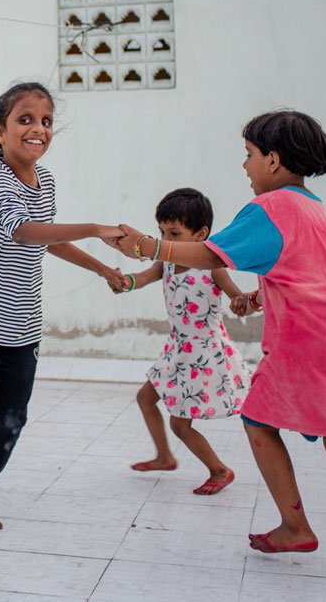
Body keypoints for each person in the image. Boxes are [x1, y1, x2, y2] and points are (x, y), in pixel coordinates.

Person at [109, 109, 326, 587]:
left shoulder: (271, 207)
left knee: (258, 419)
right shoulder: (313, 206)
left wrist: (149, 246)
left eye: (248, 155)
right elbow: (310, 275)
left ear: (272, 159)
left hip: (308, 340)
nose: (243, 166)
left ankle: (295, 527)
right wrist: (258, 297)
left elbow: (208, 255)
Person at [0, 82, 126, 535]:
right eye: (25, 119)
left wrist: (102, 268)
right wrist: (97, 227)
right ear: (0, 132)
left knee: (9, 422)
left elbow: (48, 236)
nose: (38, 128)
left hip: (22, 325)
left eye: (46, 121)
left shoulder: (47, 181)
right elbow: (24, 231)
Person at [114, 187, 251, 495]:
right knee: (145, 398)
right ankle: (164, 457)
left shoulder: (212, 266)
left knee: (180, 425)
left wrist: (243, 302)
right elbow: (144, 277)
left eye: (174, 232)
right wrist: (125, 282)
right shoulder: (167, 262)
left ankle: (220, 470)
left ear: (201, 233)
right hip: (178, 349)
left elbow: (237, 296)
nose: (165, 240)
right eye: (161, 232)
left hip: (204, 354)